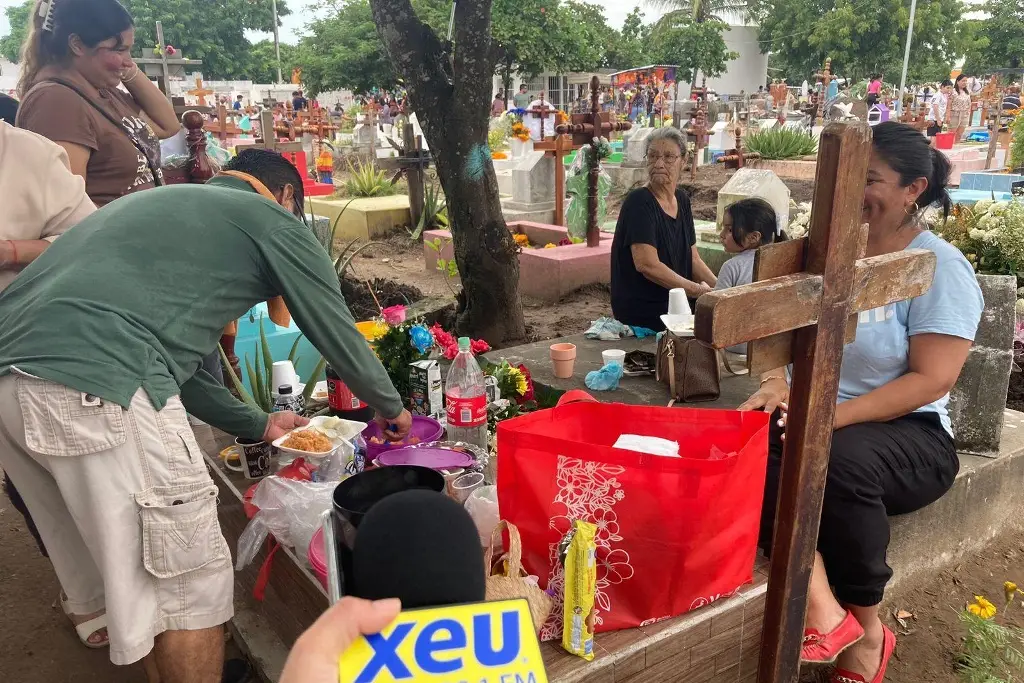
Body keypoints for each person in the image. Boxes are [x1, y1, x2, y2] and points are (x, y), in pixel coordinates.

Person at [0, 148, 414, 683]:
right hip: (100, 384)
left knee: (144, 577)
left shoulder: (163, 209)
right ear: (286, 195)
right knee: (189, 585)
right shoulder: (272, 220)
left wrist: (262, 425)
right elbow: (333, 328)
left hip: (12, 386)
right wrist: (393, 409)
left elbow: (184, 372)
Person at [740, 121, 983, 683]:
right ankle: (823, 604)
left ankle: (870, 630)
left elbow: (933, 380)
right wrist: (779, 384)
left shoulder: (938, 268)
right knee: (736, 453)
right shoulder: (824, 254)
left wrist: (826, 420)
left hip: (911, 433)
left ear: (913, 189)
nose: (853, 194)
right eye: (844, 180)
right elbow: (780, 337)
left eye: (868, 179)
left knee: (837, 460)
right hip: (821, 416)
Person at [1, 121, 99, 645]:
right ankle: (86, 596)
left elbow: (90, 240)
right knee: (30, 481)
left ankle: (104, 599)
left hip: (41, 339)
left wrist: (11, 250)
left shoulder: (30, 154)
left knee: (78, 480)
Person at [15, 0, 179, 208]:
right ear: (77, 45)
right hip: (112, 237)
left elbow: (167, 126)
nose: (129, 60)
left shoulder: (102, 92)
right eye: (118, 49)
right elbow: (67, 210)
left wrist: (122, 65)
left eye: (129, 50)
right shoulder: (56, 102)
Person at [611, 127, 717, 331]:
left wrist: (721, 289)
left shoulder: (682, 200)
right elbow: (647, 265)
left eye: (668, 157)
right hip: (646, 309)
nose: (659, 164)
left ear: (683, 161)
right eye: (652, 156)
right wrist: (696, 291)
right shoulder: (639, 202)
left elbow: (693, 259)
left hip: (678, 302)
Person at [714, 198, 784, 354]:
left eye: (729, 230)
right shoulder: (782, 263)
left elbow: (714, 313)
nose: (722, 235)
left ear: (754, 237)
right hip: (772, 348)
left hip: (735, 349)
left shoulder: (732, 267)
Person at [926, 79, 952, 144]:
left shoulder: (944, 95)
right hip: (934, 119)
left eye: (950, 88)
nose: (948, 90)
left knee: (936, 138)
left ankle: (932, 152)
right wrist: (938, 119)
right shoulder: (938, 95)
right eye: (947, 88)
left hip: (939, 118)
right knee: (933, 139)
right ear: (942, 87)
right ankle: (930, 152)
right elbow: (935, 106)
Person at [949, 74, 973, 141]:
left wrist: (968, 113)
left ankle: (957, 144)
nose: (965, 82)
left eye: (966, 81)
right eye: (963, 81)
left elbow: (969, 104)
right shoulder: (953, 91)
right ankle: (950, 146)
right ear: (957, 81)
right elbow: (949, 104)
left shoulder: (967, 92)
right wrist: (947, 115)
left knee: (960, 133)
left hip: (964, 115)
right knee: (952, 133)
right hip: (954, 114)